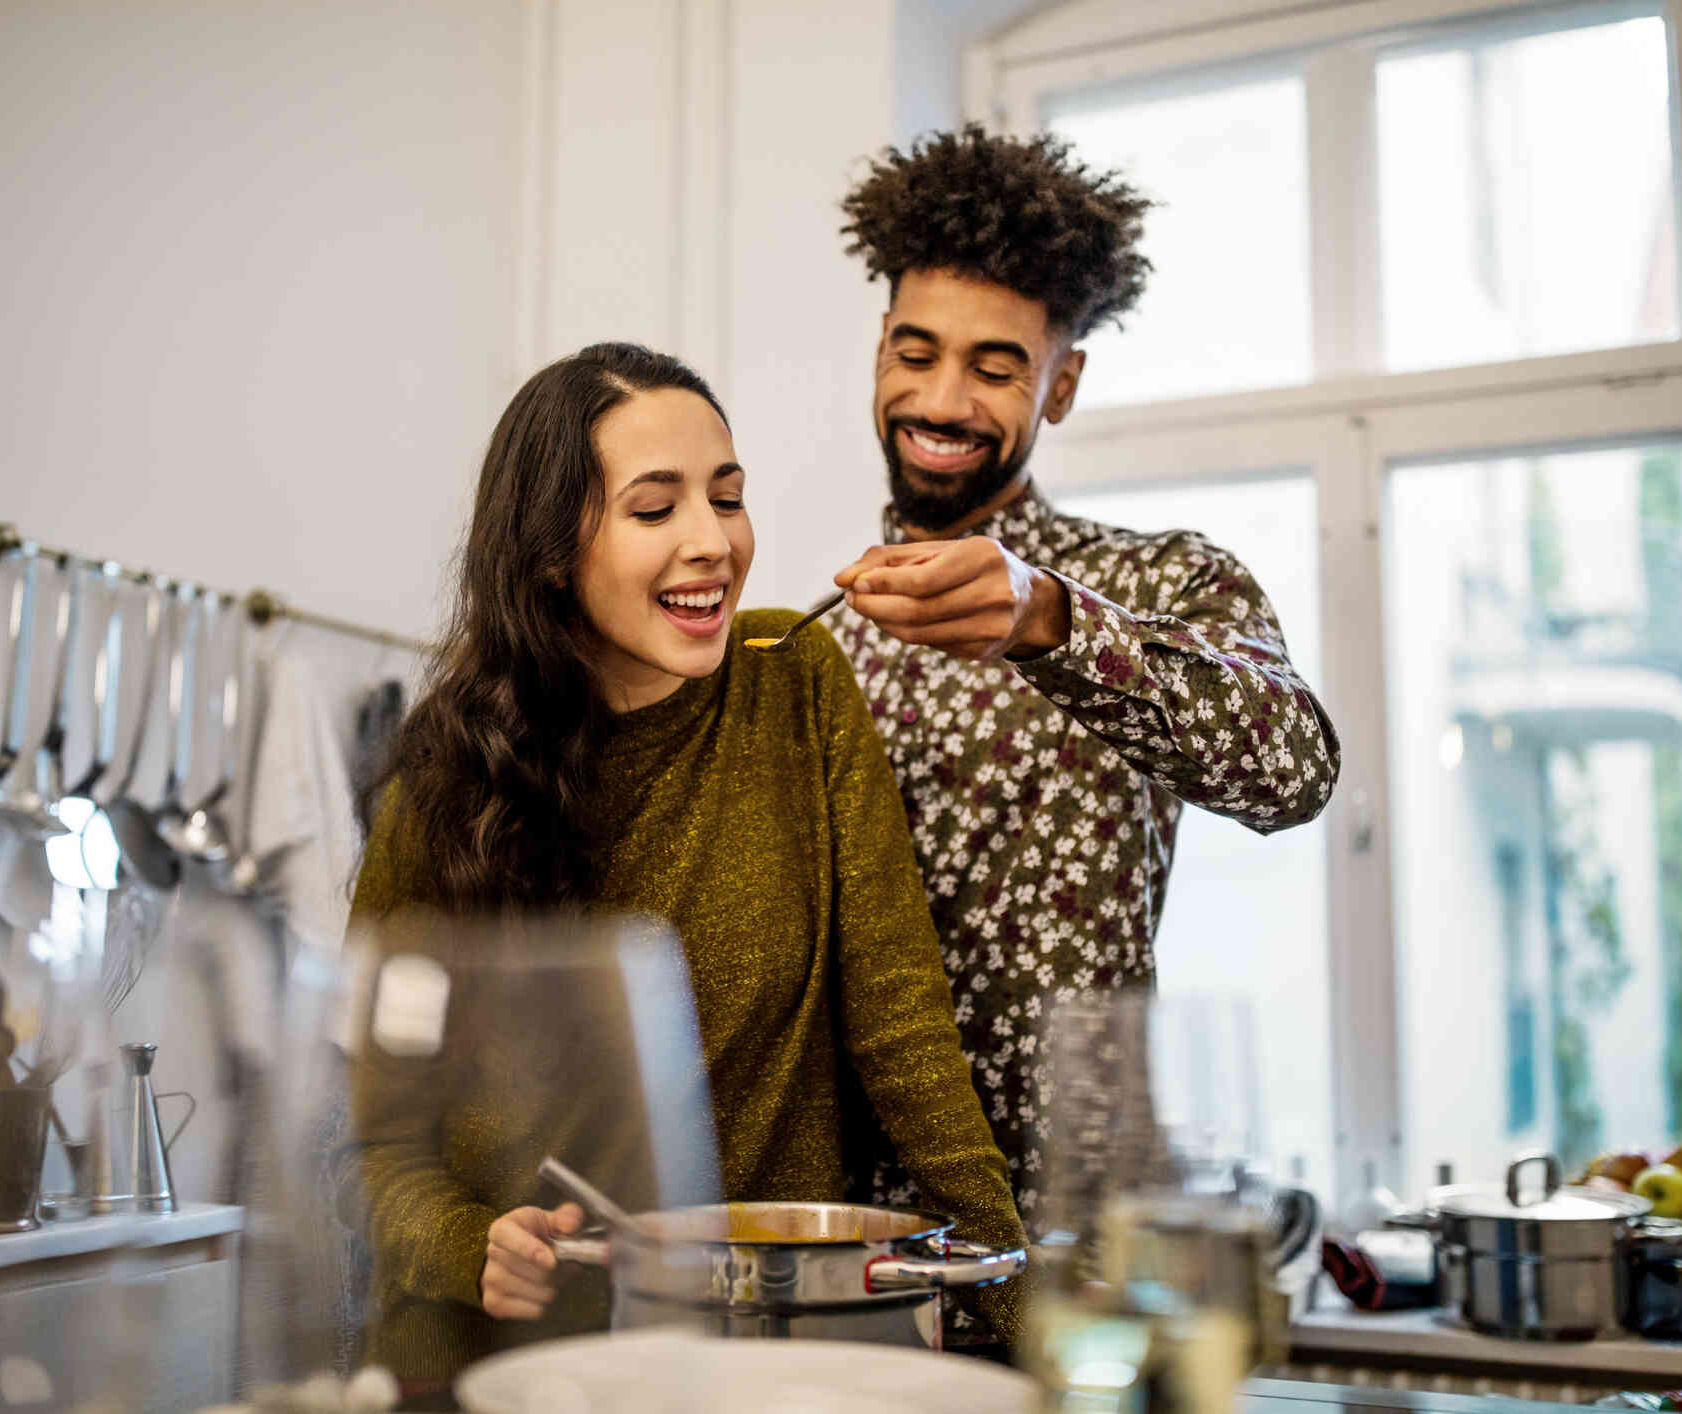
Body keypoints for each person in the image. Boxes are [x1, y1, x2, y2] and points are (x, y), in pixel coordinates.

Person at [345, 342, 1026, 1381]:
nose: (712, 543)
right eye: (656, 509)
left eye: (728, 497)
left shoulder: (794, 679)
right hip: (495, 1373)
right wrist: (463, 1244)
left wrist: (1031, 1320)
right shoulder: (441, 782)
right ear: (546, 551)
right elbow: (372, 1142)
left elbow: (906, 1031)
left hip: (744, 1369)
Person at [828, 127, 1343, 1230]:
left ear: (1061, 386)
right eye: (916, 353)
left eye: (997, 365)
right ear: (880, 353)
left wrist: (1050, 620)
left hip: (1084, 1242)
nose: (944, 400)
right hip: (852, 1250)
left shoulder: (1162, 583)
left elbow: (1294, 770)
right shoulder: (814, 647)